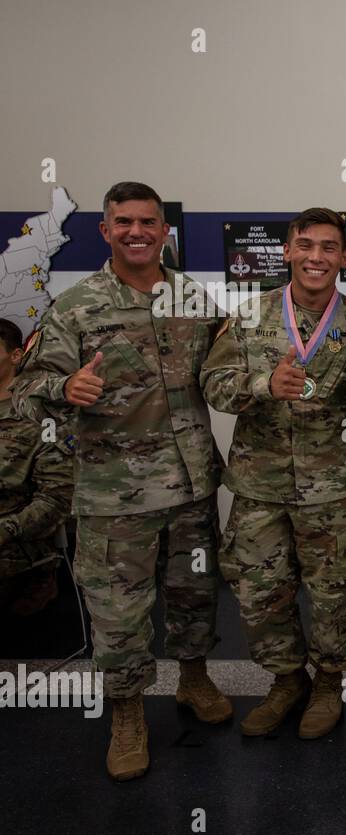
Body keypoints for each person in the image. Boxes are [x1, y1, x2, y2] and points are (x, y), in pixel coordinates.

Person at [13, 181, 230, 781]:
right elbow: (25, 392)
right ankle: (128, 712)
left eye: (148, 222)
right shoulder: (74, 306)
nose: (137, 232)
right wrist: (64, 388)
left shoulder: (195, 299)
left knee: (195, 595)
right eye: (124, 223)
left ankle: (193, 678)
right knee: (120, 610)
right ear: (106, 231)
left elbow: (228, 373)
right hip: (114, 494)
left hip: (191, 486)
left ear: (164, 231)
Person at [201, 207, 346, 739]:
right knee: (259, 593)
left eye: (329, 247)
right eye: (306, 246)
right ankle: (286, 680)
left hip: (333, 491)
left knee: (332, 595)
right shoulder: (247, 317)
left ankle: (329, 683)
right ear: (287, 251)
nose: (317, 257)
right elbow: (214, 387)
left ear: (344, 257)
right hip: (259, 489)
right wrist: (264, 384)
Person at [0, 318, 73, 617]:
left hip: (15, 546)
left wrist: (6, 529)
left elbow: (56, 499)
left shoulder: (39, 415)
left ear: (16, 356)